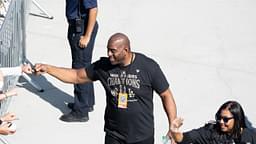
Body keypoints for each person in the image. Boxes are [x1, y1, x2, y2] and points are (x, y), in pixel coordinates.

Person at [34, 33, 177, 144]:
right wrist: (48, 69)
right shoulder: (104, 66)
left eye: (113, 51)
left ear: (125, 50)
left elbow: (166, 95)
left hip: (141, 136)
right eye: (108, 50)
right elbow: (76, 76)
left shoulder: (148, 67)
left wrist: (172, 125)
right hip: (114, 134)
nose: (109, 54)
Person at [63, 0, 99, 122]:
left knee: (79, 70)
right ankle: (87, 103)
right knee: (85, 66)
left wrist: (87, 36)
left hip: (82, 29)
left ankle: (80, 112)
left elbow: (93, 9)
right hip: (78, 26)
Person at [170, 100, 256, 144]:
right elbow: (183, 138)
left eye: (226, 119)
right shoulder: (210, 132)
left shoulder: (250, 136)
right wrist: (174, 130)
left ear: (237, 119)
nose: (221, 122)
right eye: (219, 117)